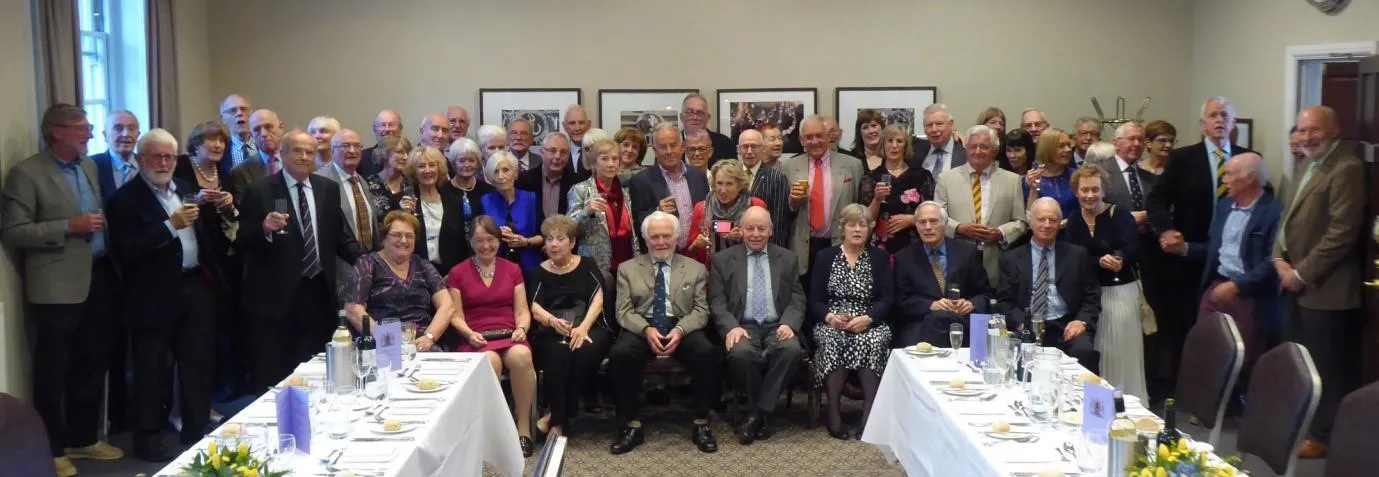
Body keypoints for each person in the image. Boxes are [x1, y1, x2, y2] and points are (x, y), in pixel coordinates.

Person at [1, 104, 122, 475]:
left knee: (91, 361)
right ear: (56, 132)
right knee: (54, 370)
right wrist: (68, 226)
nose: (89, 133)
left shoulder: (88, 167)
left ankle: (83, 438)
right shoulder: (27, 173)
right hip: (55, 286)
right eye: (82, 128)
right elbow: (13, 231)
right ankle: (52, 447)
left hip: (97, 276)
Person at [106, 129, 227, 460]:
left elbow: (201, 238)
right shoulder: (124, 200)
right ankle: (148, 439)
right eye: (156, 156)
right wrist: (168, 225)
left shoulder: (186, 190)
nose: (163, 163)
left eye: (169, 157)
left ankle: (195, 430)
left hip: (194, 287)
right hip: (151, 296)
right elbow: (125, 251)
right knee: (152, 372)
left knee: (198, 365)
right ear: (141, 159)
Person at [236, 129, 365, 390]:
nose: (305, 157)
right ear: (282, 154)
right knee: (275, 375)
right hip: (275, 300)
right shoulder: (259, 191)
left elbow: (340, 237)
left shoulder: (327, 189)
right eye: (298, 151)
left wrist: (371, 262)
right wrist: (264, 228)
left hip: (318, 293)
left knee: (317, 369)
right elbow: (241, 243)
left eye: (310, 152)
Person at [1146, 97, 1254, 403]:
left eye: (1225, 116)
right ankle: (1192, 393)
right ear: (1203, 124)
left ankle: (1229, 394)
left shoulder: (1249, 160)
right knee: (1188, 327)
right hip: (1189, 256)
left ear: (1233, 123)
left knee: (1233, 330)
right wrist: (1166, 230)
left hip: (1233, 263)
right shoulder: (1183, 159)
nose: (1219, 120)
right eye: (1213, 115)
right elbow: (1156, 200)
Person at [1272, 106, 1365, 459]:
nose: (1307, 137)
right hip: (1293, 282)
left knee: (1327, 369)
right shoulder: (1306, 164)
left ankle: (1325, 435)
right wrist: (1278, 259)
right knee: (1301, 361)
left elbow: (1342, 232)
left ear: (1334, 130)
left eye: (1315, 131)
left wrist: (1301, 273)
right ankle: (1304, 425)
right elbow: (1286, 219)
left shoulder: (1347, 168)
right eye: (1302, 130)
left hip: (1327, 289)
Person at [607, 212, 721, 454]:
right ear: (646, 240)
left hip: (682, 324)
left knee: (706, 352)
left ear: (676, 238)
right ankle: (631, 425)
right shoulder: (627, 269)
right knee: (621, 354)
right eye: (654, 237)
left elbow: (701, 310)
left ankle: (701, 422)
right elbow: (623, 311)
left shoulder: (696, 269)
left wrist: (680, 330)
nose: (660, 242)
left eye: (666, 236)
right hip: (642, 324)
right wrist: (646, 329)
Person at [1182, 153, 1282, 414]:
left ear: (1249, 178)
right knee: (1205, 345)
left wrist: (1240, 286)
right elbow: (1214, 249)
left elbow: (1273, 259)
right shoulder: (1225, 206)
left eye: (1229, 174)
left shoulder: (1273, 211)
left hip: (1250, 293)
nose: (1224, 179)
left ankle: (1238, 405)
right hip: (1217, 285)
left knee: (1243, 354)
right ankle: (1208, 404)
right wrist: (1185, 249)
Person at [708, 206, 806, 445]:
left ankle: (756, 415)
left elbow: (797, 297)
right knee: (741, 354)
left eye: (761, 228)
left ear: (771, 231)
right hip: (743, 326)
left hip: (777, 325)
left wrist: (789, 324)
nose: (755, 234)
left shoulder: (787, 258)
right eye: (749, 228)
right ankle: (762, 414)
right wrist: (730, 327)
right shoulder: (722, 260)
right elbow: (717, 301)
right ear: (740, 230)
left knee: (790, 350)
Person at [446, 215, 538, 456]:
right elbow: (455, 315)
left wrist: (522, 328)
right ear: (470, 242)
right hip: (475, 336)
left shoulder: (513, 269)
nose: (486, 246)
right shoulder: (457, 272)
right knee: (490, 362)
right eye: (479, 240)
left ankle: (523, 429)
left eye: (491, 239)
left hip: (510, 332)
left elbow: (522, 310)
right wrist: (469, 334)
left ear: (499, 240)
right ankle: (493, 431)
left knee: (521, 357)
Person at [809, 204, 893, 440]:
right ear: (842, 228)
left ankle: (868, 415)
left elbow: (888, 298)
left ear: (869, 229)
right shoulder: (826, 257)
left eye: (862, 225)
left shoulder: (879, 257)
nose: (857, 229)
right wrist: (830, 317)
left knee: (874, 341)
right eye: (851, 224)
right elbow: (814, 299)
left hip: (869, 320)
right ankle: (834, 414)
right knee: (833, 340)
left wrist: (868, 318)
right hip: (833, 320)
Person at [173, 120, 245, 397]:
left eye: (221, 142)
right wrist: (197, 199)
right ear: (196, 144)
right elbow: (175, 202)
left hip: (224, 257)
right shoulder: (181, 167)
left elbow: (234, 218)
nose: (217, 146)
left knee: (223, 325)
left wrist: (228, 205)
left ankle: (220, 388)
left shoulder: (225, 173)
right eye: (211, 141)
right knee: (198, 333)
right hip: (194, 260)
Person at [1062, 164, 1146, 399]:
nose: (1090, 195)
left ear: (1104, 191)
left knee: (1120, 350)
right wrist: (1098, 261)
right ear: (1076, 192)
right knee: (1097, 348)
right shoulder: (1073, 219)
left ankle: (1126, 400)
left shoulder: (1120, 214)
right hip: (1089, 297)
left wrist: (1119, 258)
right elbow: (1070, 257)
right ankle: (1097, 399)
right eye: (1084, 190)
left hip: (1120, 293)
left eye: (1095, 190)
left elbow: (1133, 249)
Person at [527, 215, 612, 439]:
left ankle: (557, 418)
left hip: (589, 324)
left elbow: (598, 299)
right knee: (558, 354)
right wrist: (552, 321)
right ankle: (561, 417)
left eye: (560, 238)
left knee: (585, 351)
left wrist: (583, 328)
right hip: (553, 327)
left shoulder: (588, 265)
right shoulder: (539, 272)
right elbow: (534, 306)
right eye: (549, 239)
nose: (553, 244)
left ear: (572, 242)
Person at [997, 197, 1102, 371]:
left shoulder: (1078, 255)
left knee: (1083, 350)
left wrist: (1081, 321)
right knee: (1016, 356)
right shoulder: (1011, 258)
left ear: (1060, 224)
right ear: (1030, 223)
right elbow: (1004, 302)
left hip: (1065, 325)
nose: (1047, 225)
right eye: (1041, 219)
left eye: (1053, 220)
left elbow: (1092, 296)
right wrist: (1022, 323)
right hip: (1027, 325)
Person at [934, 125, 1028, 287]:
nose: (978, 151)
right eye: (973, 146)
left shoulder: (1012, 180)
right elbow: (936, 218)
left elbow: (1021, 222)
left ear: (995, 150)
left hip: (996, 262)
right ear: (966, 148)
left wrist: (1000, 233)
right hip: (957, 263)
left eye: (984, 147)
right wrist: (959, 228)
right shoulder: (946, 179)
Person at [345, 211, 455, 348]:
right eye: (397, 235)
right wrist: (385, 337)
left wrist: (429, 337)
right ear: (384, 238)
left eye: (409, 236)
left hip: (421, 345)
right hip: (380, 345)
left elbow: (447, 305)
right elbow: (353, 309)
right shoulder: (367, 264)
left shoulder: (423, 265)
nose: (404, 240)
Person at [893, 201, 991, 347]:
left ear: (945, 225)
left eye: (933, 221)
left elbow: (985, 294)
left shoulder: (967, 252)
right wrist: (931, 305)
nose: (927, 227)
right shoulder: (904, 257)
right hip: (922, 323)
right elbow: (901, 301)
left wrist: (971, 303)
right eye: (922, 222)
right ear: (916, 226)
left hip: (962, 321)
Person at [783, 115, 865, 276]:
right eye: (809, 137)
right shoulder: (788, 166)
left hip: (841, 243)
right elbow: (783, 213)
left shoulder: (853, 165)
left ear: (828, 136)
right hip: (803, 248)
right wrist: (792, 201)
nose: (815, 141)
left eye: (819, 136)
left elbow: (859, 206)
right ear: (801, 140)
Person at [626, 123, 710, 252]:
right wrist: (656, 211)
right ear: (654, 151)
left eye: (673, 145)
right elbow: (635, 225)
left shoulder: (698, 176)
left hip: (696, 253)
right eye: (663, 147)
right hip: (662, 254)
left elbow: (707, 214)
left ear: (682, 148)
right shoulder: (640, 181)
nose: (669, 151)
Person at [568, 139, 639, 280]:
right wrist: (586, 212)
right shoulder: (581, 189)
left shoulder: (625, 191)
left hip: (627, 261)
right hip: (594, 265)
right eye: (605, 159)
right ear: (594, 162)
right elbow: (568, 228)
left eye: (615, 159)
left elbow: (633, 231)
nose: (611, 164)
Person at [859, 125, 935, 253]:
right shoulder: (871, 178)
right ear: (883, 145)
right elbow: (865, 220)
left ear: (906, 146)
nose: (894, 146)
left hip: (914, 246)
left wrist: (912, 220)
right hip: (880, 249)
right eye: (889, 141)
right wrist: (877, 200)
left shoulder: (921, 176)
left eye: (899, 141)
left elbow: (933, 213)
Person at [315, 129, 381, 257]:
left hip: (369, 262)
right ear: (331, 151)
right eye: (345, 146)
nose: (352, 150)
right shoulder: (320, 182)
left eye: (357, 146)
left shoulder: (363, 182)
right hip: (338, 265)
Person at [686, 160, 766, 265]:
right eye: (719, 183)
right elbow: (689, 251)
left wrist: (746, 237)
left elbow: (767, 242)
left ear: (740, 185)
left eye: (729, 184)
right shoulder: (702, 208)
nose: (723, 190)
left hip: (746, 267)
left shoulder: (755, 206)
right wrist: (696, 244)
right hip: (712, 269)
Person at [408, 146, 471, 274]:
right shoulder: (407, 201)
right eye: (421, 166)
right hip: (416, 272)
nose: (427, 170)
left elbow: (462, 241)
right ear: (414, 172)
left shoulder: (454, 200)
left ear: (439, 168)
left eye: (432, 165)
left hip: (450, 271)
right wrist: (404, 214)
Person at [481, 151, 544, 270]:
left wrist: (526, 241)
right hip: (496, 267)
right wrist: (495, 234)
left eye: (506, 170)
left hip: (529, 266)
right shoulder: (485, 201)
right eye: (496, 171)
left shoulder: (531, 198)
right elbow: (478, 237)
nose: (501, 176)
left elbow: (543, 235)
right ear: (491, 177)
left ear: (515, 173)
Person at [737, 129, 792, 247]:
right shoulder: (731, 176)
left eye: (754, 146)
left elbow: (779, 223)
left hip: (765, 247)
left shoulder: (776, 178)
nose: (749, 151)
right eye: (745, 147)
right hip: (734, 247)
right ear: (738, 149)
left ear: (762, 148)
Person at [443, 137, 494, 244]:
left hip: (482, 248)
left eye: (471, 160)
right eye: (461, 160)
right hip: (452, 251)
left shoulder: (488, 191)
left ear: (478, 163)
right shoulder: (442, 191)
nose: (467, 165)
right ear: (453, 163)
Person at [517, 133, 579, 221]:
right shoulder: (524, 180)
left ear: (569, 155)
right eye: (553, 151)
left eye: (563, 152)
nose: (558, 156)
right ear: (542, 153)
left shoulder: (577, 183)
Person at [229, 109, 285, 200]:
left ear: (281, 128)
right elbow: (245, 210)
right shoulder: (240, 171)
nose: (263, 134)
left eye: (268, 127)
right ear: (251, 134)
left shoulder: (297, 162)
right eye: (257, 130)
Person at [1025, 127, 1078, 218]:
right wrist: (1033, 190)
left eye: (1069, 145)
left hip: (1073, 229)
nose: (1068, 149)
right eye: (1061, 146)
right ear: (1047, 149)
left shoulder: (1076, 176)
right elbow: (1030, 217)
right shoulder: (1031, 179)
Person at [90, 109, 141, 202]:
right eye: (118, 128)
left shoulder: (148, 164)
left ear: (138, 135)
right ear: (105, 135)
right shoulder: (91, 165)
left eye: (131, 128)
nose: (126, 134)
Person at [367, 135, 416, 217]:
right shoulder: (368, 184)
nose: (405, 157)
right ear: (384, 153)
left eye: (408, 153)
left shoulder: (411, 183)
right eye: (399, 152)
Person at [913, 104, 965, 177]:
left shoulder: (965, 150)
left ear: (951, 124)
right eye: (929, 125)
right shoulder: (915, 150)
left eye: (939, 124)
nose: (934, 129)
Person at [680, 93, 735, 160]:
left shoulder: (726, 145)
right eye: (689, 112)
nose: (695, 117)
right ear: (681, 117)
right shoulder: (672, 145)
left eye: (700, 113)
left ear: (708, 118)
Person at [359, 109, 402, 177]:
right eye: (382, 125)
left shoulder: (411, 157)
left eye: (391, 125)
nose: (387, 129)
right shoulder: (362, 157)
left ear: (400, 129)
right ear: (374, 130)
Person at [220, 94, 256, 168]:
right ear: (223, 118)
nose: (239, 113)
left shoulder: (263, 144)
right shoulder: (220, 150)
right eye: (232, 110)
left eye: (244, 109)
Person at [562, 105, 591, 176]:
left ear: (589, 125)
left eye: (581, 123)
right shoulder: (559, 153)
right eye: (572, 123)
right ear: (564, 126)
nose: (577, 128)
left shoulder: (599, 151)